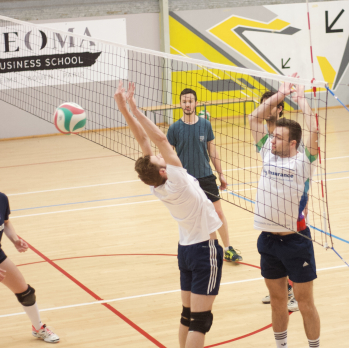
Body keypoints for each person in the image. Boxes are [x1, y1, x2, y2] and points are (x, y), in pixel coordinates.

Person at [114, 81, 223, 348]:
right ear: (162, 170)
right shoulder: (178, 178)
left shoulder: (158, 186)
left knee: (187, 315)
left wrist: (123, 107)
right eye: (158, 160)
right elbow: (159, 139)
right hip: (204, 250)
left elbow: (143, 140)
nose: (159, 157)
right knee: (200, 321)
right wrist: (136, 110)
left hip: (185, 251)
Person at [248, 77, 321, 348]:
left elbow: (313, 127)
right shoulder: (267, 151)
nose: (272, 139)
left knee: (304, 303)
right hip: (267, 240)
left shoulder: (304, 161)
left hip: (295, 241)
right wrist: (279, 95)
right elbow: (253, 118)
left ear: (293, 143)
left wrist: (300, 99)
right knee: (278, 302)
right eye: (273, 135)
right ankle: (281, 346)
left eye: (278, 136)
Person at [0, 163, 60, 344]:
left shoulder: (1, 199)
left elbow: (5, 223)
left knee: (26, 292)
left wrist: (15, 240)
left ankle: (38, 329)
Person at [166, 88, 242, 263]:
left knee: (218, 213)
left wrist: (221, 174)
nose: (187, 104)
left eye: (190, 101)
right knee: (192, 217)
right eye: (184, 101)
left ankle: (228, 248)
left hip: (206, 176)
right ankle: (202, 249)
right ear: (180, 104)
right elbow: (169, 156)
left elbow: (212, 151)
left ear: (196, 103)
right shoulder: (174, 128)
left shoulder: (205, 125)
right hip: (186, 180)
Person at [257, 90, 299, 312]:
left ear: (280, 108)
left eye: (270, 105)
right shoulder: (266, 135)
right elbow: (254, 117)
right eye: (262, 104)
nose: (265, 108)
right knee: (274, 247)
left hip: (292, 199)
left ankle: (293, 292)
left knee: (291, 245)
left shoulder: (289, 131)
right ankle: (282, 288)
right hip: (272, 200)